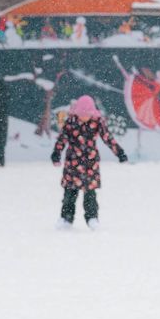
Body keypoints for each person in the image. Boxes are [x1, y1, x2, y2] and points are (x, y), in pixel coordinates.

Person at [51, 94, 127, 229]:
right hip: (72, 164)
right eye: (81, 114)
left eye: (87, 114)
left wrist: (119, 152)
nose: (84, 117)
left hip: (90, 164)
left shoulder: (97, 121)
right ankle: (66, 219)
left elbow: (107, 137)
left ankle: (92, 218)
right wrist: (56, 153)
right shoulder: (71, 121)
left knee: (90, 194)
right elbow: (62, 139)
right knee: (69, 193)